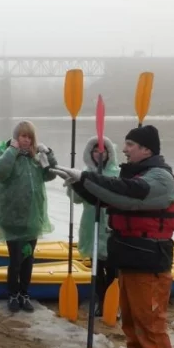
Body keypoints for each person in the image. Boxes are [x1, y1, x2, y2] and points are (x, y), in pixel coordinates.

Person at [53, 125, 174, 348]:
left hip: (150, 262)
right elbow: (106, 198)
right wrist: (75, 181)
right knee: (132, 321)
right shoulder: (138, 174)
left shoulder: (160, 178)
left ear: (146, 149)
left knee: (150, 324)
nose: (124, 150)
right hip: (130, 258)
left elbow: (125, 192)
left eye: (130, 145)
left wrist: (86, 177)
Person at [0, 120, 57, 313]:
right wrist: (12, 150)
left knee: (28, 260)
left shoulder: (34, 158)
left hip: (32, 219)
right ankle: (12, 294)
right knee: (16, 259)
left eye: (29, 137)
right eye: (22, 136)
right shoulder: (3, 153)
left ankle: (24, 294)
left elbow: (50, 174)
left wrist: (48, 154)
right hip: (13, 219)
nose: (26, 140)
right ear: (16, 137)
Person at [68, 135, 120, 317]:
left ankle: (113, 301)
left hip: (111, 227)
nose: (99, 154)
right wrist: (73, 184)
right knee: (96, 267)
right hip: (91, 225)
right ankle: (100, 299)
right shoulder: (85, 174)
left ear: (108, 152)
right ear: (91, 153)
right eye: (95, 151)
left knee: (113, 268)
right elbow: (76, 200)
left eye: (103, 150)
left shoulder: (117, 173)